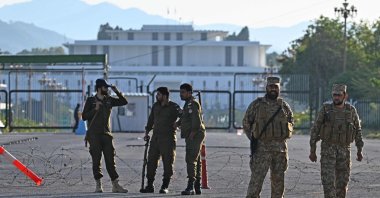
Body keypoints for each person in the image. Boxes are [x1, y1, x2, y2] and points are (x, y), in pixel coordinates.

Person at [242, 76, 294, 198]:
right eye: (271, 86)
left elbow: (291, 124)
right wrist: (254, 138)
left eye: (275, 87)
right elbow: (246, 123)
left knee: (278, 185)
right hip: (261, 150)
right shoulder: (257, 105)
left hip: (280, 151)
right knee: (255, 183)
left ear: (279, 89)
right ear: (266, 88)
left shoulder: (284, 107)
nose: (273, 89)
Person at [309, 84, 364, 198]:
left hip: (344, 152)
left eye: (339, 95)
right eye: (334, 95)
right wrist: (312, 150)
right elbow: (316, 129)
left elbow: (358, 130)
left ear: (345, 96)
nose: (336, 97)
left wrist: (359, 150)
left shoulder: (351, 110)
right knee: (328, 184)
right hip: (328, 150)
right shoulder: (325, 109)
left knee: (342, 184)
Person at [82, 78, 128, 193]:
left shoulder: (109, 100)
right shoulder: (91, 100)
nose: (107, 89)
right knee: (96, 160)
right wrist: (95, 109)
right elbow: (84, 116)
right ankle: (98, 185)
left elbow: (124, 102)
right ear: (99, 88)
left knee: (110, 160)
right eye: (105, 87)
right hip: (94, 135)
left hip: (107, 135)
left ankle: (115, 185)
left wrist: (116, 91)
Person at [140, 87, 182, 194]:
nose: (156, 96)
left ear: (165, 96)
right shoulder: (155, 106)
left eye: (158, 94)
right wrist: (146, 132)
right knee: (151, 163)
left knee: (168, 163)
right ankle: (149, 185)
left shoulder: (173, 106)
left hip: (168, 139)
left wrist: (178, 123)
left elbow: (184, 115)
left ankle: (165, 186)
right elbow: (150, 120)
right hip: (155, 139)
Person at [175, 83, 206, 195]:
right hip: (193, 134)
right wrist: (178, 123)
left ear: (189, 93)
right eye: (180, 92)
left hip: (195, 134)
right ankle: (197, 186)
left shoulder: (192, 104)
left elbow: (196, 120)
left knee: (190, 159)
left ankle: (191, 186)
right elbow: (185, 117)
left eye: (183, 92)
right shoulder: (187, 104)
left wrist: (192, 132)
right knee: (196, 159)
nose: (181, 94)